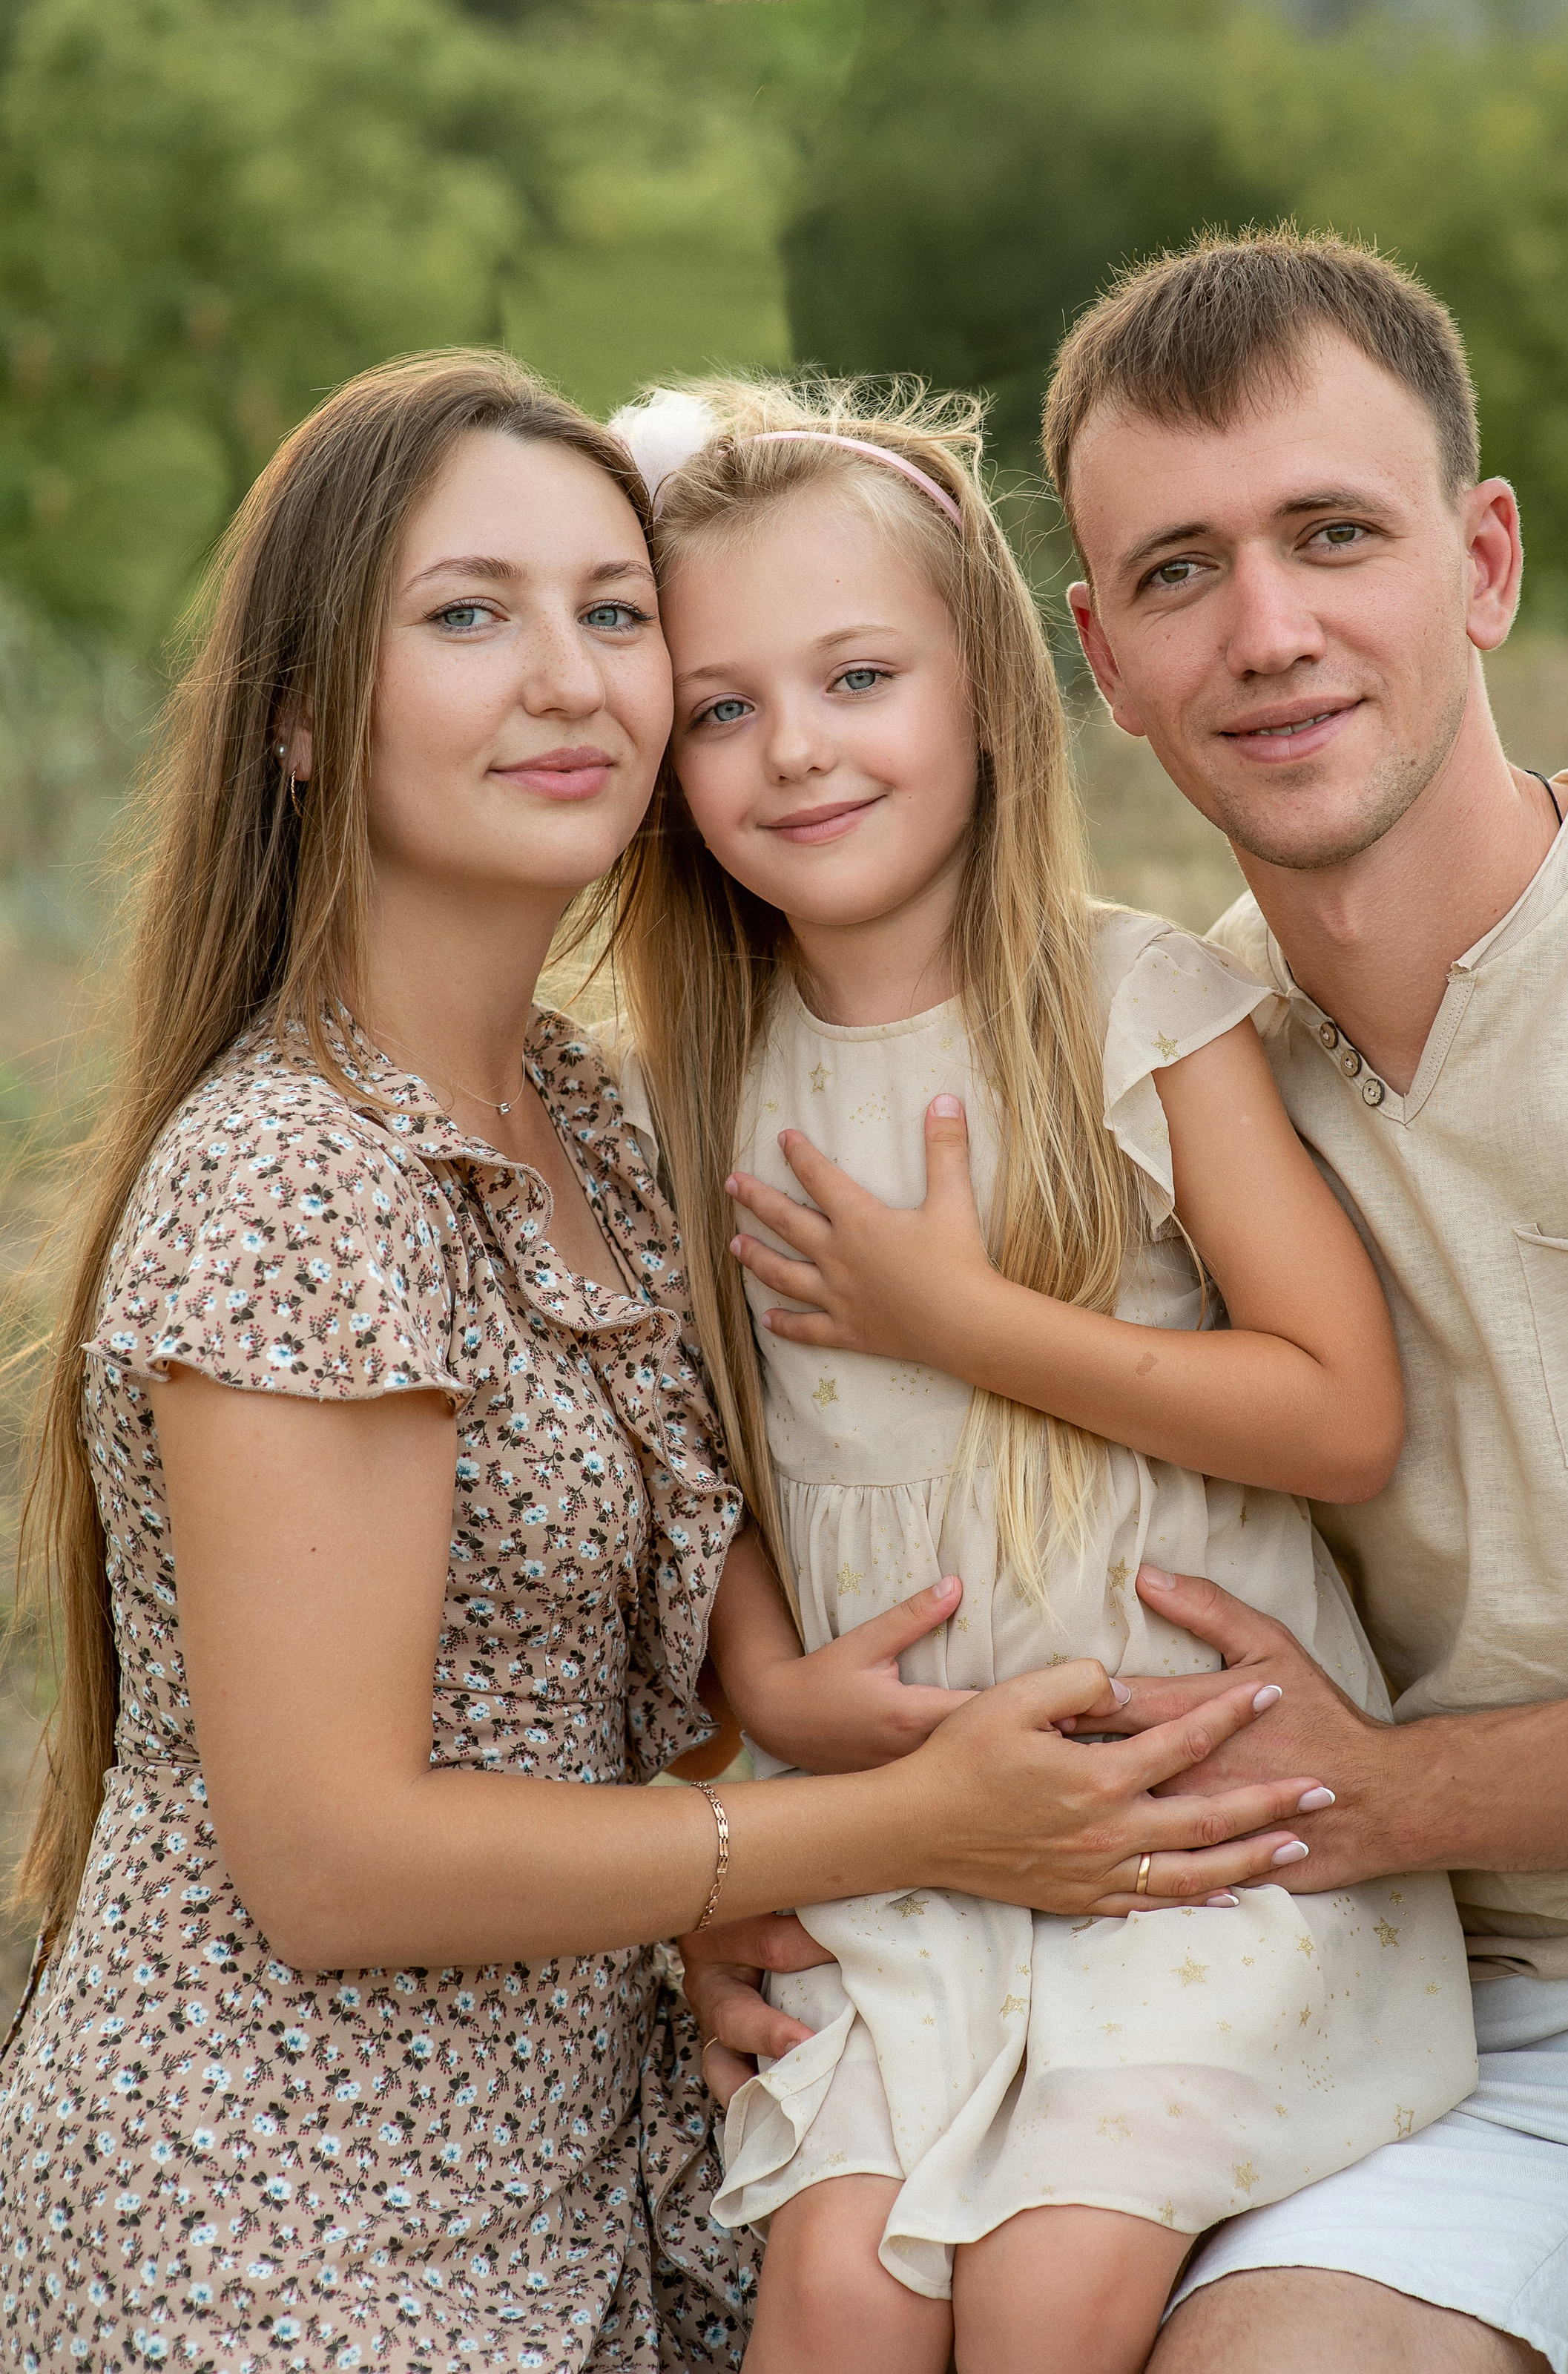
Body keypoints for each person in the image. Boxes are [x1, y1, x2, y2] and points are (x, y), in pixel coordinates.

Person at [0, 349, 1315, 2374]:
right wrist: (894, 1832)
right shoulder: (302, 1178)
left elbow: (622, 1657)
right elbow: (337, 1862)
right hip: (293, 2230)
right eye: (468, 616)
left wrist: (745, 1819)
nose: (572, 680)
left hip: (585, 2163)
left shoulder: (590, 1116)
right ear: (294, 718)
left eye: (616, 613)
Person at [690, 231, 1568, 2373]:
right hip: (1526, 2043)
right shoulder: (1137, 1079)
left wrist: (1393, 1796)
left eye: (1334, 534)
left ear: (1485, 561)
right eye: (1179, 574)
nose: (1268, 630)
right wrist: (795, 1858)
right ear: (1101, 661)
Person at [603, 375, 1476, 2374]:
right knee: (833, 2290)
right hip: (906, 1830)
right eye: (724, 710)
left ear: (990, 696)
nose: (795, 749)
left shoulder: (1135, 1009)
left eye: (855, 676)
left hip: (1186, 1820)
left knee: (1053, 2296)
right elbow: (693, 1441)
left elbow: (1339, 1407)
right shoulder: (693, 1087)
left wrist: (963, 1321)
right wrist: (759, 1678)